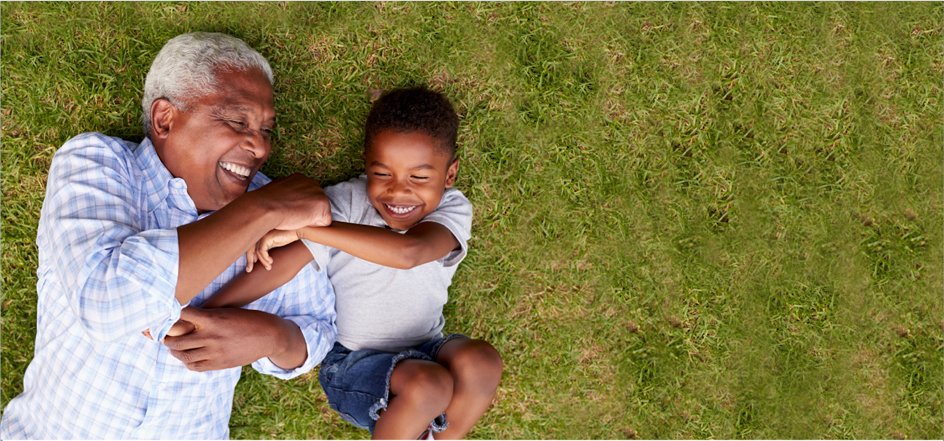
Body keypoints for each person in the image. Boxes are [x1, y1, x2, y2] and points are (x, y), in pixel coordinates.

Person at [0, 32, 337, 439]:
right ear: (165, 119)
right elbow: (108, 302)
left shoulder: (276, 210)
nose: (260, 147)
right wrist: (263, 210)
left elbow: (316, 330)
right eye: (237, 121)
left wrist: (271, 337)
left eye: (266, 129)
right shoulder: (97, 163)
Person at [196, 87, 503, 439]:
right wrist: (209, 309)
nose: (398, 192)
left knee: (482, 362)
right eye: (382, 173)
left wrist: (308, 228)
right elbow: (283, 265)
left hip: (429, 346)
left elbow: (410, 253)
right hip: (354, 364)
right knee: (428, 384)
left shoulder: (452, 208)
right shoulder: (345, 202)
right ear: (366, 163)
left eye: (419, 177)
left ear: (449, 176)